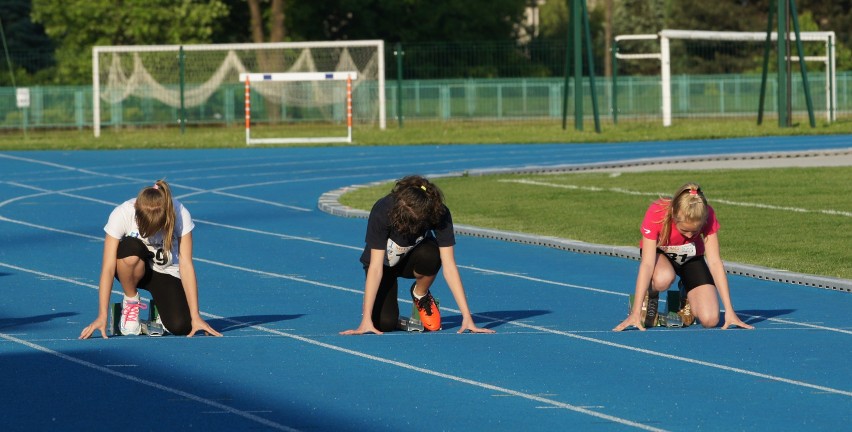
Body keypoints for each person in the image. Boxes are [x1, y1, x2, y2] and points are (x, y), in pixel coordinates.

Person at [341, 175, 495, 335]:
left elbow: (449, 266)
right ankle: (397, 320)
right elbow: (375, 268)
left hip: (413, 260)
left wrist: (467, 317)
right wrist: (365, 320)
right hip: (384, 265)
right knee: (384, 324)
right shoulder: (382, 209)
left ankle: (420, 294)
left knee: (432, 254)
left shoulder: (439, 213)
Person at [80, 180, 222, 339]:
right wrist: (102, 316)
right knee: (129, 248)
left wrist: (195, 316)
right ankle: (131, 300)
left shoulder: (180, 213)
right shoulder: (122, 213)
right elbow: (107, 267)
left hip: (165, 271)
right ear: (136, 213)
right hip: (133, 269)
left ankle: (159, 310)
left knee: (181, 326)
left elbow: (186, 264)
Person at [613, 182, 753, 331]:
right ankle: (649, 295)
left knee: (710, 320)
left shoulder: (708, 214)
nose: (689, 236)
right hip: (661, 257)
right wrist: (635, 311)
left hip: (691, 258)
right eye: (684, 230)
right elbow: (647, 264)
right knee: (663, 278)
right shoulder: (657, 212)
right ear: (674, 215)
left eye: (695, 231)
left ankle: (685, 293)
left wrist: (730, 310)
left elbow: (715, 263)